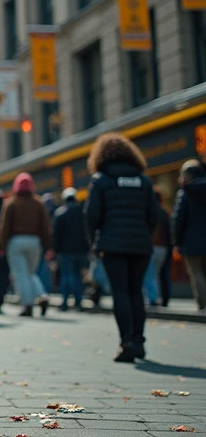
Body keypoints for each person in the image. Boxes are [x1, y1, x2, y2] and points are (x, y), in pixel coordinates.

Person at [84, 133, 157, 362]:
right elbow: (154, 215)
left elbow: (91, 214)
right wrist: (144, 235)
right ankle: (139, 341)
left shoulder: (100, 179)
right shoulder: (143, 181)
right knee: (137, 291)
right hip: (140, 245)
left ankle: (126, 342)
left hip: (112, 245)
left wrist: (93, 241)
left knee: (121, 292)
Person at [0, 173, 53, 317]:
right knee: (31, 273)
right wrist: (48, 246)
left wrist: (2, 246)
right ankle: (42, 295)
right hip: (34, 242)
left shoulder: (11, 203)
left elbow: (4, 227)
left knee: (21, 274)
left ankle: (27, 304)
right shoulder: (38, 203)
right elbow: (45, 226)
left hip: (16, 242)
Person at [171, 159, 206, 313]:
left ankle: (202, 303)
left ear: (188, 176)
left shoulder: (185, 193)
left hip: (192, 241)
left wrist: (176, 242)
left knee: (196, 272)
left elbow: (178, 219)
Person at [53, 187, 89, 311]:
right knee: (77, 275)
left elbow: (56, 235)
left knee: (67, 275)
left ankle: (65, 301)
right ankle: (78, 300)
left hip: (64, 251)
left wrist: (55, 250)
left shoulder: (60, 213)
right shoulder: (82, 213)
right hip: (80, 250)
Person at [144, 188, 171, 307]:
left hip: (151, 246)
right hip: (164, 247)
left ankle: (153, 298)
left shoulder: (148, 211)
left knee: (150, 274)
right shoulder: (165, 211)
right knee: (161, 273)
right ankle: (163, 298)